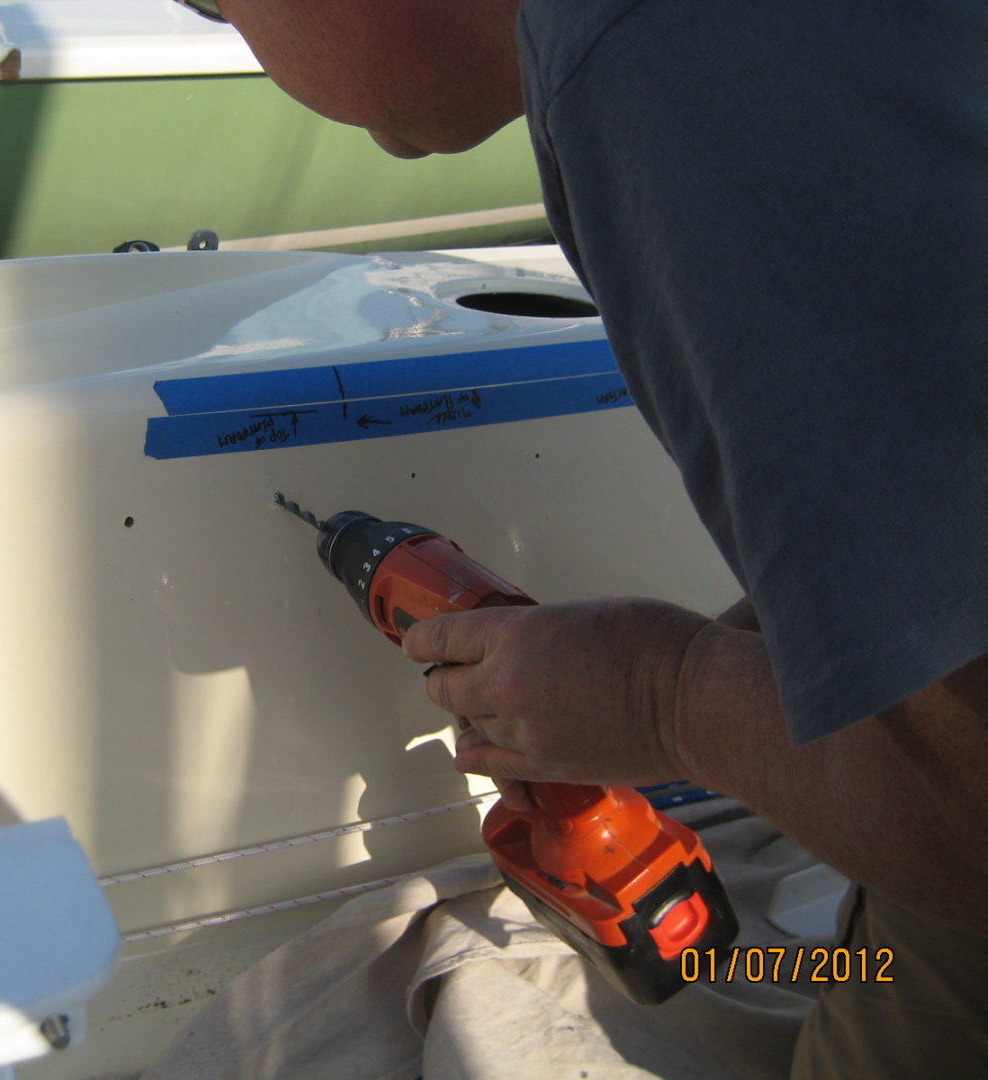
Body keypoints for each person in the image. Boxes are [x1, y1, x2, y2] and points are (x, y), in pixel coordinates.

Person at [183, 0, 988, 1074]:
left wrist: (670, 697)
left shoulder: (660, 58)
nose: (258, 57)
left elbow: (972, 827)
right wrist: (759, 649)